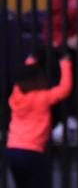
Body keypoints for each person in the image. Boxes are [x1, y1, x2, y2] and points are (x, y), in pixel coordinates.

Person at [4, 53, 72, 188]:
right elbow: (65, 89)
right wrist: (65, 64)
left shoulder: (16, 96)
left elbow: (23, 80)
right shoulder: (43, 98)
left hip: (12, 150)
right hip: (33, 152)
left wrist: (30, 61)